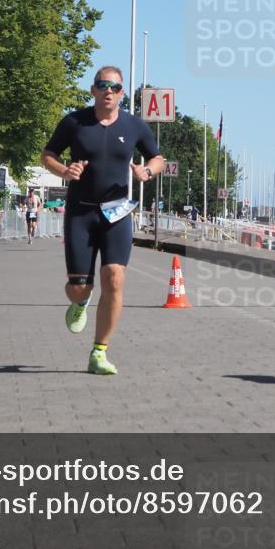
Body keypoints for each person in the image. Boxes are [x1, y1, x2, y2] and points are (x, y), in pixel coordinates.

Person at [42, 66, 164, 376]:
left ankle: (99, 352)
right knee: (79, 288)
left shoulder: (135, 125)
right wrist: (64, 170)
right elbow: (48, 154)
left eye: (115, 86)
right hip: (81, 213)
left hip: (117, 212)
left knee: (115, 278)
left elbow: (157, 158)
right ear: (93, 90)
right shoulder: (74, 122)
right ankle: (81, 302)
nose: (109, 90)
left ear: (122, 93)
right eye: (102, 85)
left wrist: (147, 171)